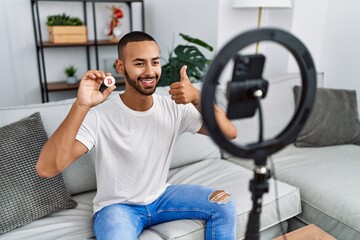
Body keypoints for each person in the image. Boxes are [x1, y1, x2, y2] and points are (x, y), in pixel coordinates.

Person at [36, 31, 238, 240]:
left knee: (224, 203)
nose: (150, 71)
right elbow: (46, 168)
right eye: (140, 63)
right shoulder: (99, 116)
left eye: (155, 62)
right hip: (117, 208)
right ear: (121, 67)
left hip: (161, 197)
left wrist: (197, 96)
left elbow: (229, 132)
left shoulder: (174, 108)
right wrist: (81, 105)